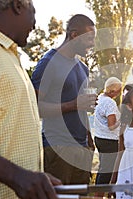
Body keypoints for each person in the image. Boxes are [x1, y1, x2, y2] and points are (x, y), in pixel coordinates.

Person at [0, 0, 62, 199]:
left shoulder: (11, 57)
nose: (35, 24)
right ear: (18, 5)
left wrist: (34, 177)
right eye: (33, 12)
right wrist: (17, 176)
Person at [31, 14, 96, 185]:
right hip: (58, 148)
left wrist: (89, 139)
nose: (93, 44)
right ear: (74, 35)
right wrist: (73, 104)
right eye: (89, 38)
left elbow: (82, 107)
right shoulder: (47, 63)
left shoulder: (83, 68)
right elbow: (34, 107)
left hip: (82, 149)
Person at [93, 77, 122, 197]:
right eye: (119, 90)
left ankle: (97, 195)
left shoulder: (100, 98)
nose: (119, 93)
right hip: (109, 141)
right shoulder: (110, 102)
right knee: (106, 172)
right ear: (113, 91)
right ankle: (98, 196)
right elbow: (112, 125)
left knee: (102, 170)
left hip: (99, 138)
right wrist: (123, 121)